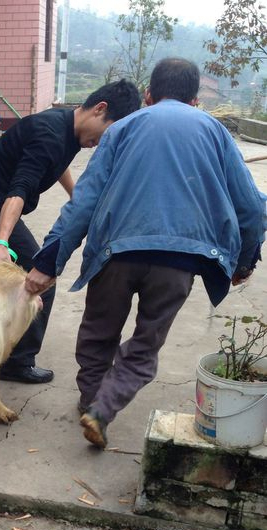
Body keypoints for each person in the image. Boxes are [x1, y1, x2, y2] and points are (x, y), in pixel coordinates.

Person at [26, 57, 265, 448]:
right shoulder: (216, 132)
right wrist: (243, 261)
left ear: (149, 95)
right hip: (180, 259)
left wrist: (48, 262)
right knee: (144, 345)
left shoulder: (121, 128)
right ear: (195, 101)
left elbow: (82, 203)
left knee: (97, 334)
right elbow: (252, 208)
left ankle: (91, 400)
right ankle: (104, 408)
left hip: (115, 253)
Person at [0, 80, 141, 384]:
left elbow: (57, 166)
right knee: (39, 275)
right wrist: (1, 241)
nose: (100, 143)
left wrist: (79, 199)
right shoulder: (50, 134)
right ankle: (16, 363)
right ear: (100, 109)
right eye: (106, 134)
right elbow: (18, 190)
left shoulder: (67, 131)